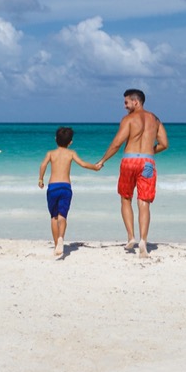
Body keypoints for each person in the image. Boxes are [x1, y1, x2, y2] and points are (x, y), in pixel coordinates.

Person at [97, 89, 168, 257]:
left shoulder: (128, 119)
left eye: (126, 102)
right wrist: (148, 152)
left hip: (129, 161)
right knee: (144, 202)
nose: (124, 106)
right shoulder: (155, 119)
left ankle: (131, 237)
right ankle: (143, 240)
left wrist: (103, 160)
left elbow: (117, 143)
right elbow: (164, 144)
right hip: (147, 162)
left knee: (126, 198)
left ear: (136, 102)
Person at [37, 126, 101, 259]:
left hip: (53, 187)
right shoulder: (71, 153)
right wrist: (95, 168)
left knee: (54, 217)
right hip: (66, 187)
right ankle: (61, 238)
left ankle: (56, 245)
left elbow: (43, 165)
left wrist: (41, 179)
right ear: (70, 142)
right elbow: (83, 164)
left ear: (55, 139)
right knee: (63, 217)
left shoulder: (50, 153)